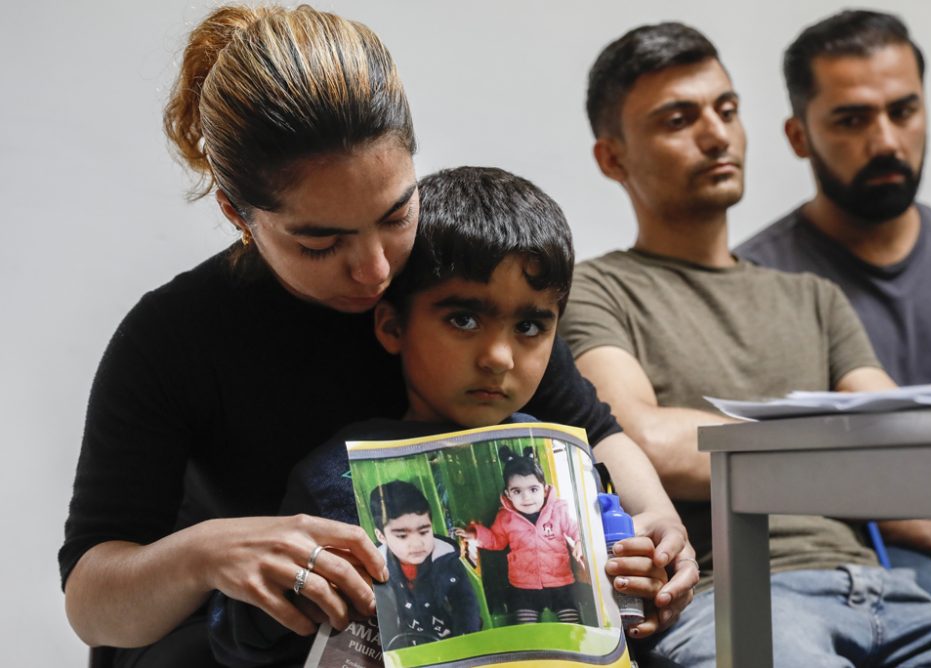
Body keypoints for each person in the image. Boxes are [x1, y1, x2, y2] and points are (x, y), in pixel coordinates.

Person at [58, 8, 693, 667]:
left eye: (396, 214)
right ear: (235, 212)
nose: (377, 270)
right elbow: (91, 599)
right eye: (319, 242)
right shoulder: (173, 336)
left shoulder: (453, 277)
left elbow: (596, 430)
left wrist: (659, 530)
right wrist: (208, 551)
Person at [559, 21, 931, 666]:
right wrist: (833, 445)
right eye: (679, 119)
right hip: (736, 595)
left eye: (726, 110)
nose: (716, 134)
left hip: (889, 594)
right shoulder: (597, 289)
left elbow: (897, 444)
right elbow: (646, 440)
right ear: (612, 157)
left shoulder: (814, 297)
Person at [207, 166, 698, 667]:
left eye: (529, 325)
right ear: (393, 325)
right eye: (463, 319)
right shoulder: (336, 473)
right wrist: (292, 595)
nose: (499, 356)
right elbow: (237, 639)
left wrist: (645, 583)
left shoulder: (569, 465)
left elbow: (624, 621)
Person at [735, 9, 931, 612]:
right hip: (883, 566)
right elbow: (783, 471)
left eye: (902, 111)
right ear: (799, 136)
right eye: (852, 119)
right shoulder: (755, 285)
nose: (884, 141)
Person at [457, 446, 585, 625]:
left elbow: (575, 529)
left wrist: (580, 541)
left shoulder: (558, 510)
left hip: (560, 582)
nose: (526, 497)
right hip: (523, 586)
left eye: (533, 489)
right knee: (526, 626)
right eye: (517, 491)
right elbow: (496, 540)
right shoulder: (506, 517)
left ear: (545, 490)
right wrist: (476, 534)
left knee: (572, 623)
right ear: (508, 494)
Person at [368, 481, 481, 648]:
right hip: (406, 647)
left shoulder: (448, 559)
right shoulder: (376, 568)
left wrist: (464, 642)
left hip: (451, 641)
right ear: (381, 536)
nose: (417, 543)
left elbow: (466, 604)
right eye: (402, 535)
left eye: (423, 531)